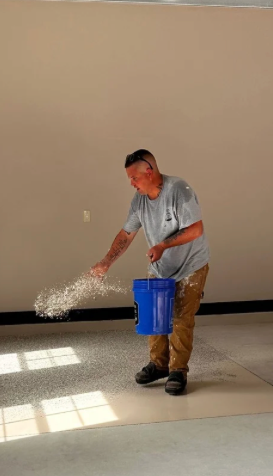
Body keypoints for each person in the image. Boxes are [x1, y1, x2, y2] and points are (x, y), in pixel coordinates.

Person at [90, 149, 210, 396]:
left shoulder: (179, 190)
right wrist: (106, 262)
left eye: (134, 178)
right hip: (161, 267)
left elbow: (195, 229)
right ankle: (159, 365)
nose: (131, 184)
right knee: (154, 314)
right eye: (129, 179)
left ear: (149, 171)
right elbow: (126, 234)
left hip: (191, 265)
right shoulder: (139, 201)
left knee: (180, 317)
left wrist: (162, 245)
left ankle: (178, 371)